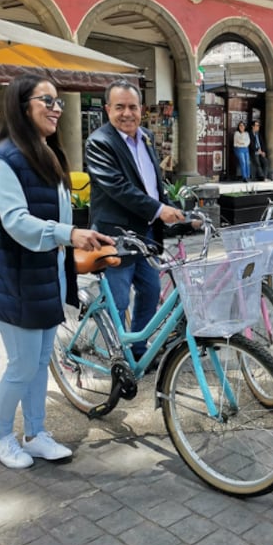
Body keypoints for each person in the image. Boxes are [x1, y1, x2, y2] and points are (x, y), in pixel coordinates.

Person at [0, 75, 114, 469]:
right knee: (21, 366)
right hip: (15, 281)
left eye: (59, 102)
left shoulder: (45, 153)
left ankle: (35, 433)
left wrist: (73, 237)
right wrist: (68, 234)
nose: (57, 108)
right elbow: (16, 222)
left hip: (46, 278)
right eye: (47, 100)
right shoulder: (4, 158)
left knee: (39, 363)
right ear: (23, 106)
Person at [84, 80, 186, 358]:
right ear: (108, 109)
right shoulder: (99, 143)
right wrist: (158, 210)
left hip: (147, 236)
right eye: (120, 107)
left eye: (132, 107)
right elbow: (119, 188)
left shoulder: (147, 138)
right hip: (116, 237)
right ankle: (118, 358)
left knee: (150, 293)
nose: (126, 113)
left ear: (141, 109)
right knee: (117, 302)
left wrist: (176, 210)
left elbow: (152, 187)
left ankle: (138, 349)